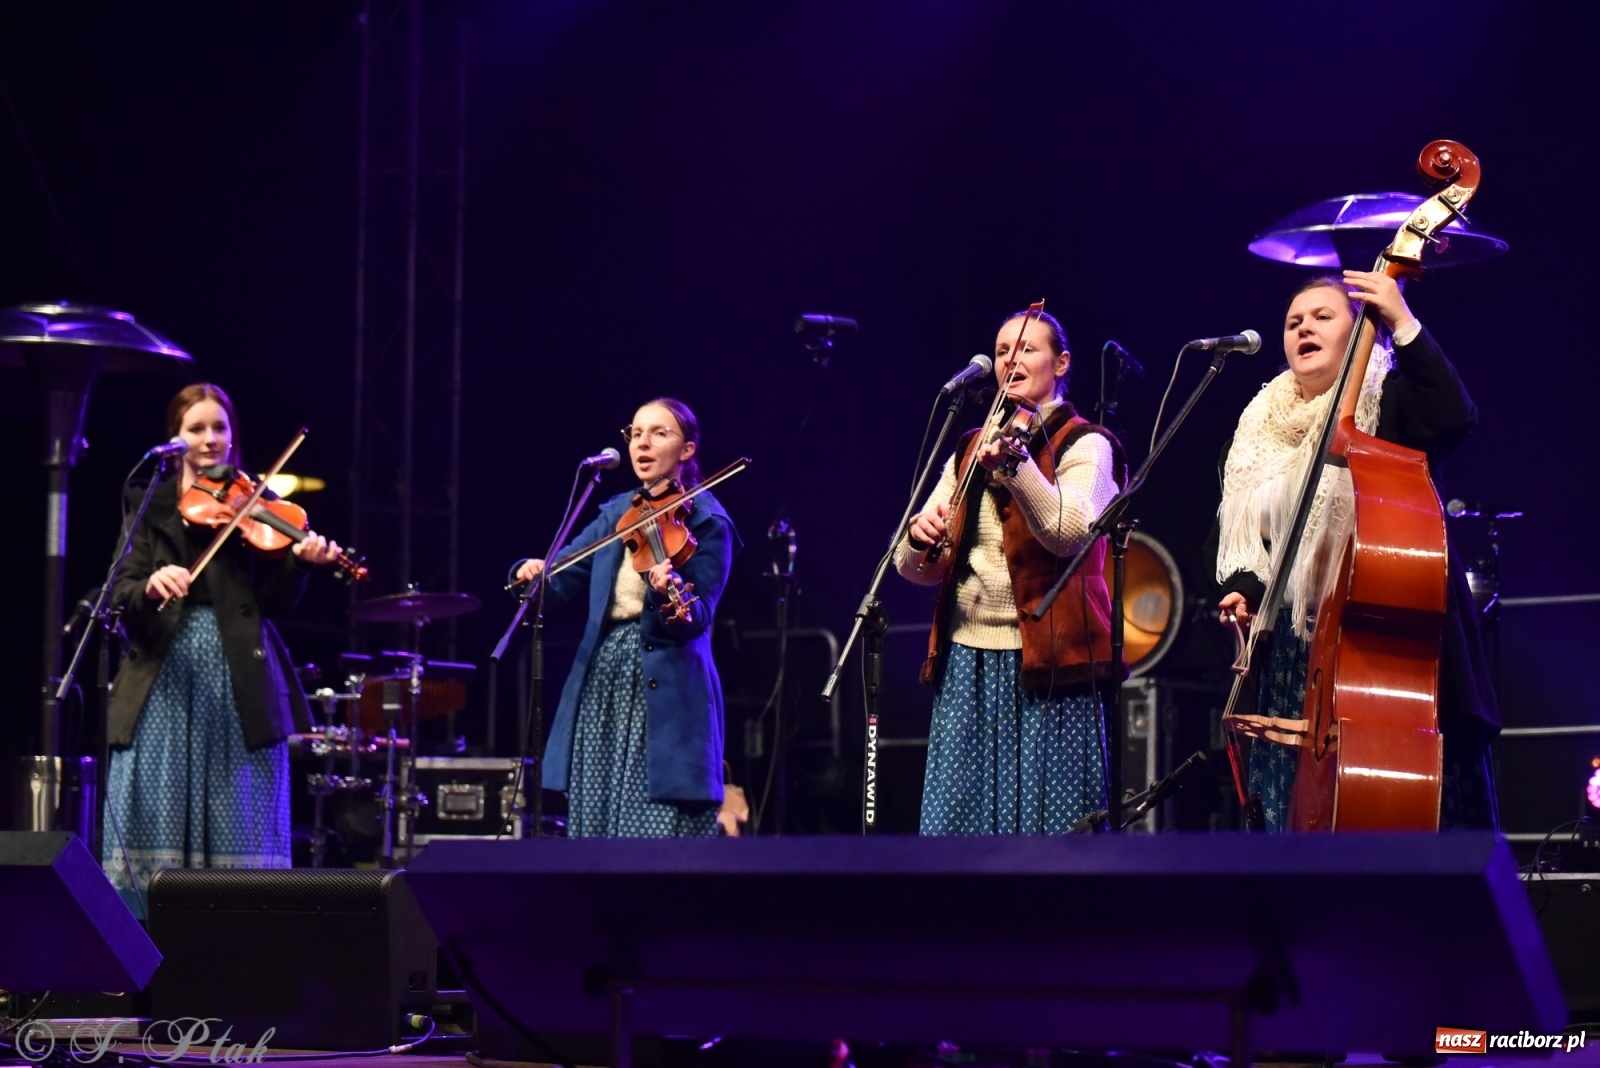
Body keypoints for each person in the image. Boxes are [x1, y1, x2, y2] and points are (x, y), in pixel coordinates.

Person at [1215, 270, 1500, 830]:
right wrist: (1241, 591)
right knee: (1291, 823)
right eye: (1294, 321)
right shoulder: (1256, 429)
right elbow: (1238, 540)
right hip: (1295, 657)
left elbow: (1453, 418)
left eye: (1323, 317)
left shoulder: (1387, 400)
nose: (1305, 328)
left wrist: (1401, 317)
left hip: (1383, 646)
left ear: (1358, 330)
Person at [104, 383, 343, 909]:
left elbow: (272, 603)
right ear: (175, 437)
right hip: (163, 680)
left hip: (238, 676)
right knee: (155, 810)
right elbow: (119, 591)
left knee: (243, 817)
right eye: (197, 429)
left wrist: (301, 563)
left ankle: (239, 950)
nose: (211, 439)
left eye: (220, 428)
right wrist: (150, 584)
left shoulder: (257, 502)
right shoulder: (148, 502)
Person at [894, 308, 1127, 835]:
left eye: (1027, 348)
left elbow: (1070, 533)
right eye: (1002, 351)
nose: (1010, 359)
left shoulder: (1087, 444)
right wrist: (917, 537)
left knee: (1053, 836)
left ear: (1061, 362)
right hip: (969, 664)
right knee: (955, 830)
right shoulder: (973, 445)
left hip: (1051, 664)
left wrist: (1018, 468)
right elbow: (915, 569)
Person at [512, 398, 740, 837]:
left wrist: (667, 593)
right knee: (595, 818)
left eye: (659, 433)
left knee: (655, 830)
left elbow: (696, 617)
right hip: (604, 674)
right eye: (635, 433)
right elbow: (562, 578)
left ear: (687, 449)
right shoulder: (617, 513)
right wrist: (534, 574)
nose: (642, 443)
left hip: (669, 678)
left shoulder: (709, 520)